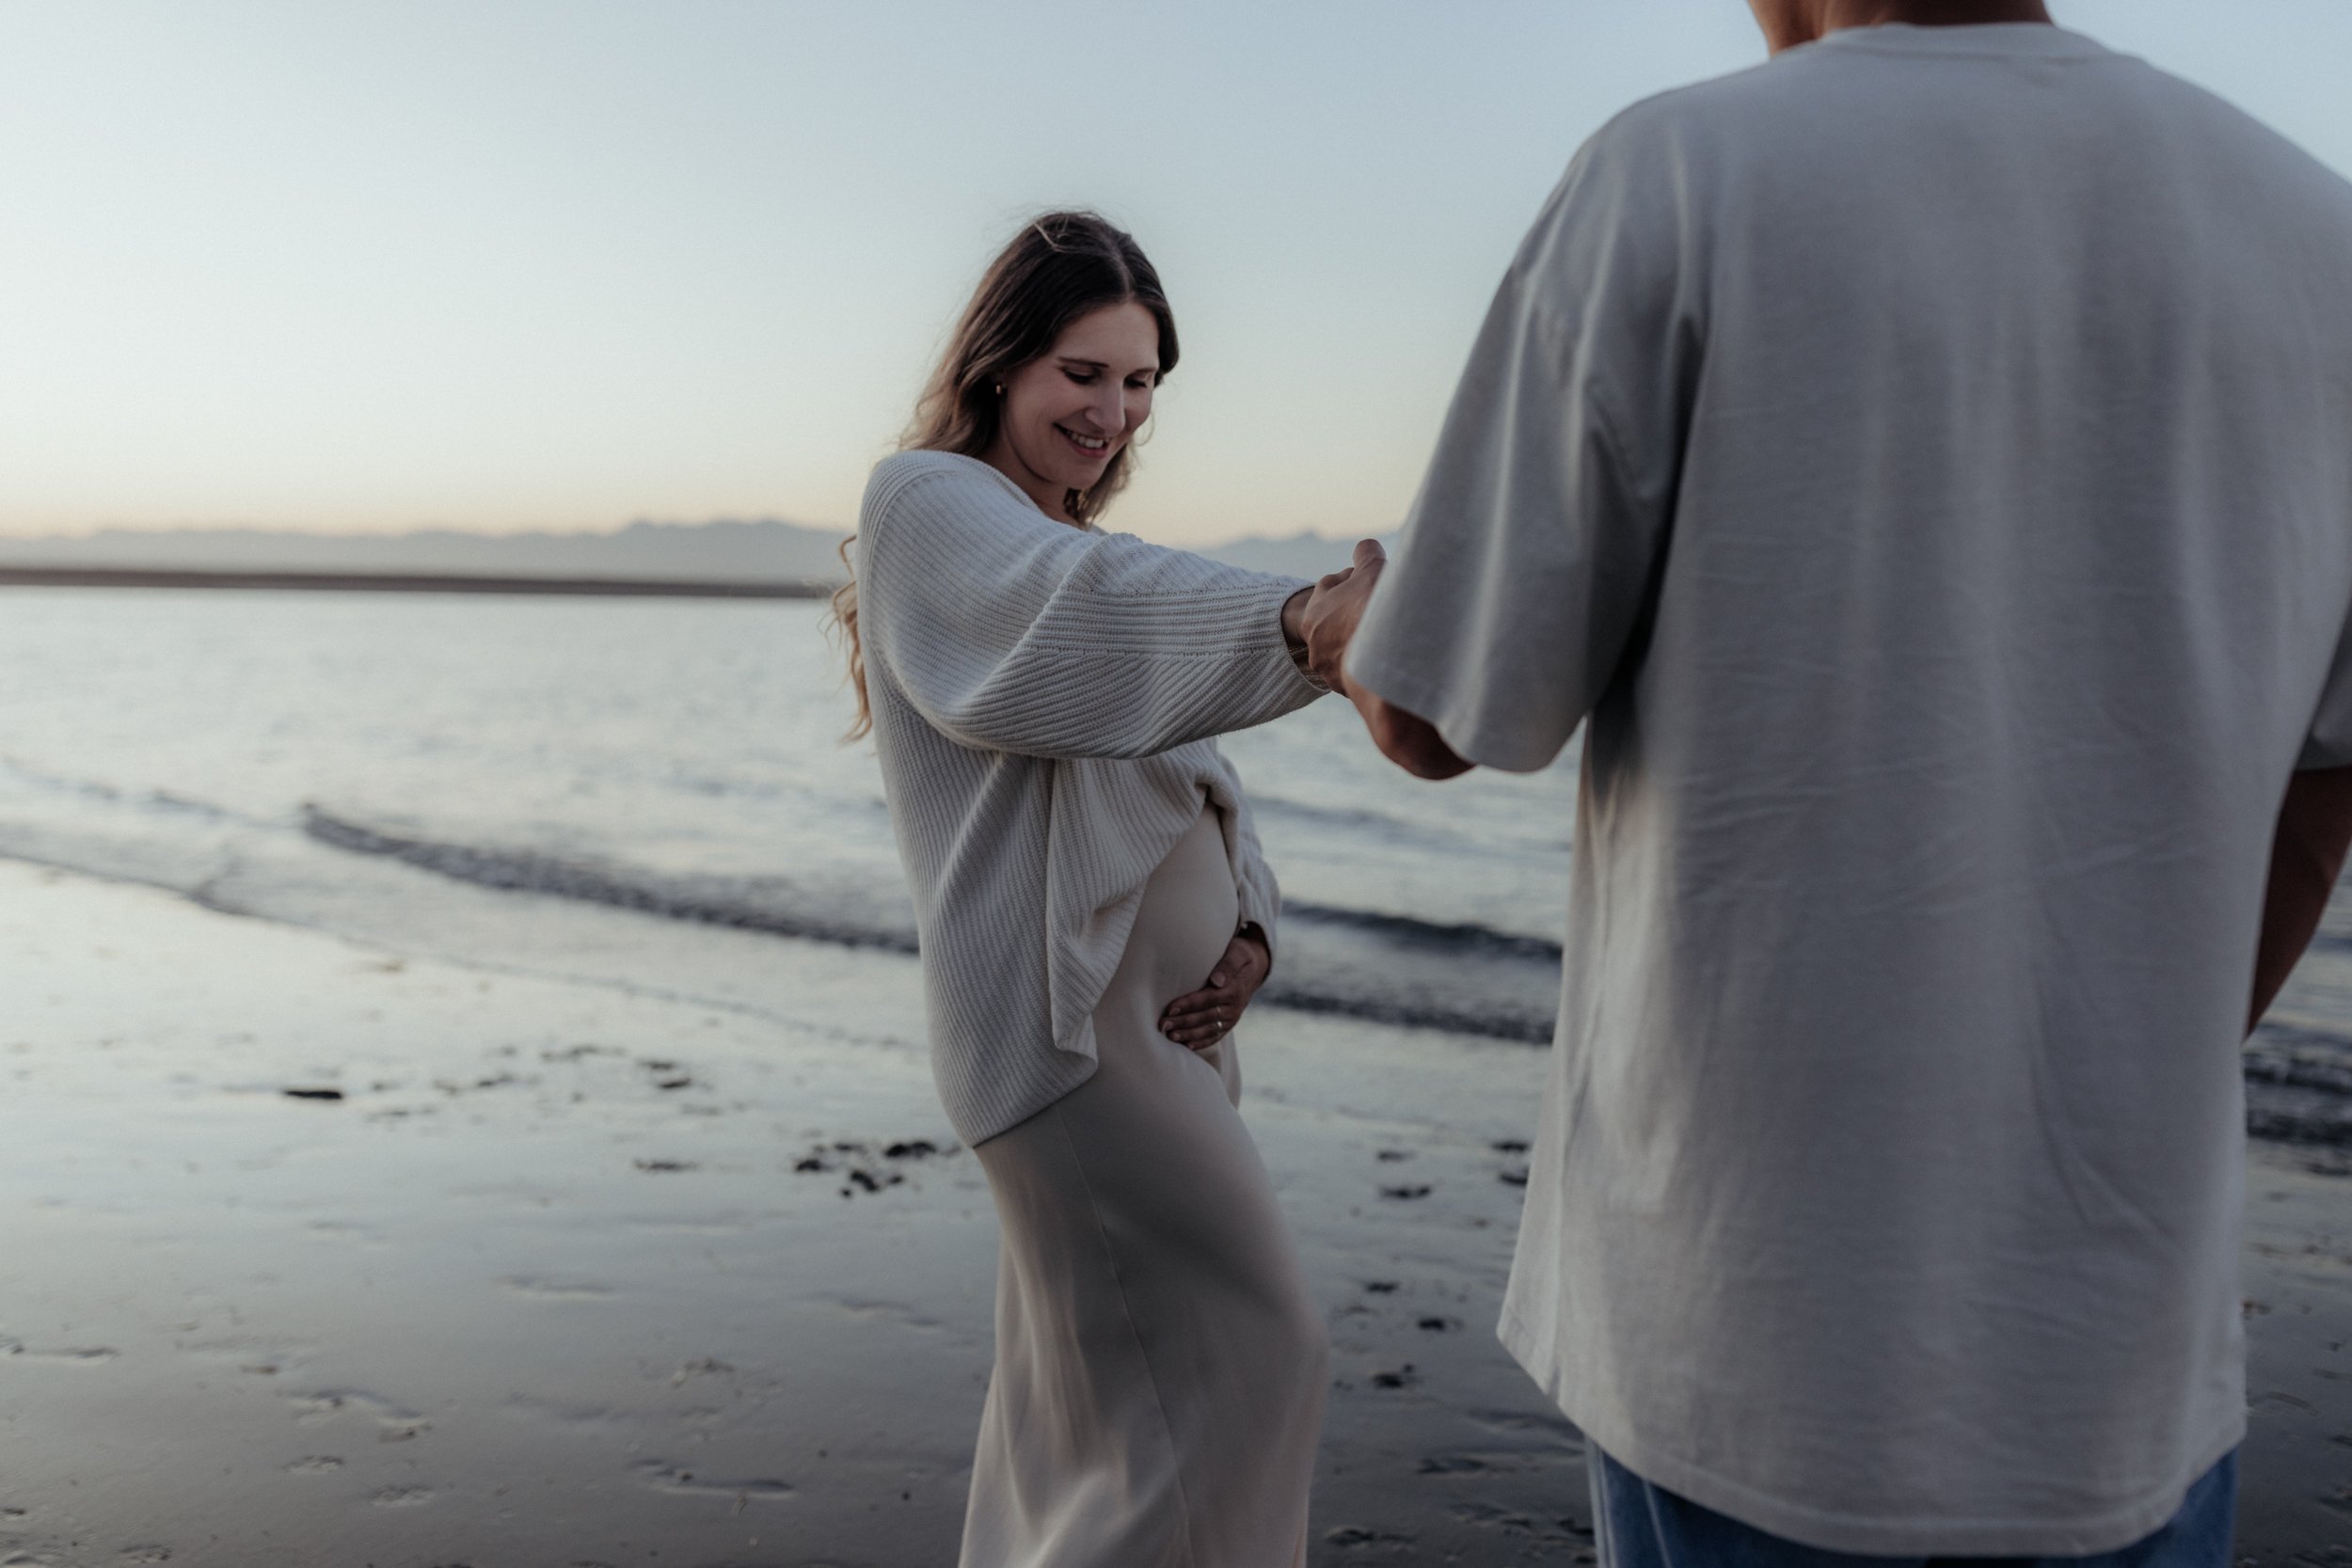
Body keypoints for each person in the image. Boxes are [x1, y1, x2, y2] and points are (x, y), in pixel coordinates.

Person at [1300, 1, 2352, 1563]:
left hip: (1744, 1352)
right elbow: (2326, 781)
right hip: (2124, 1357)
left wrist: (1335, 626)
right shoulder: (2316, 232)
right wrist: (2117, 1070)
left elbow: (1440, 711)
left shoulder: (1679, 174)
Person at [833, 211, 1343, 1568]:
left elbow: (1186, 776)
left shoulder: (1065, 555)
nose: (1114, 411)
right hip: (1071, 1052)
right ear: (1000, 363)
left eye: (1140, 382)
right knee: (1257, 1352)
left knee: (1085, 1420)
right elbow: (1071, 621)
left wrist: (1250, 933)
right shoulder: (932, 505)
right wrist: (1299, 621)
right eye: (1083, 372)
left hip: (1142, 1045)